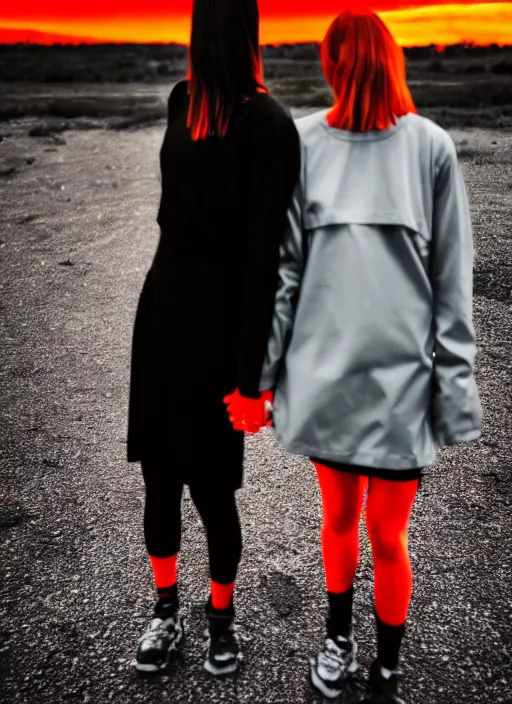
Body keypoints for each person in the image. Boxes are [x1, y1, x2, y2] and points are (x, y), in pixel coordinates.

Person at [226, 9, 482, 703]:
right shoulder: (306, 143)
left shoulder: (426, 146)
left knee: (370, 528)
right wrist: (265, 376)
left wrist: (263, 379)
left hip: (389, 385)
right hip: (348, 382)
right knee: (372, 530)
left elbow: (448, 277)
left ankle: (372, 661)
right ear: (392, 60)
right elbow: (286, 270)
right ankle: (356, 651)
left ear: (332, 64)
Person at [126, 0, 300, 676]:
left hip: (220, 328)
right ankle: (165, 611)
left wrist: (252, 378)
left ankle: (219, 617)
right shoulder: (182, 100)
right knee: (160, 480)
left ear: (202, 30)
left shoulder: (270, 126)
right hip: (164, 310)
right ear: (249, 30)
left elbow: (265, 265)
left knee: (212, 489)